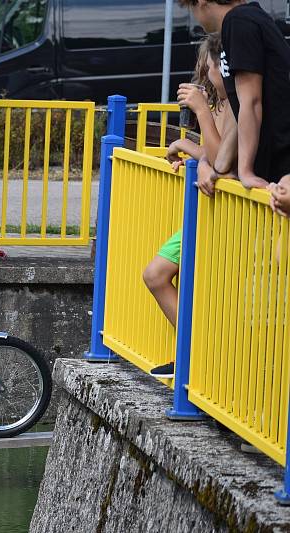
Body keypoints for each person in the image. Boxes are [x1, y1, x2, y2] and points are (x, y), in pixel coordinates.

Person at [145, 34, 234, 379]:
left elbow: (220, 158)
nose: (206, 75)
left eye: (209, 67)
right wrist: (187, 146)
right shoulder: (224, 105)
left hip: (221, 212)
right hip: (208, 211)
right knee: (156, 275)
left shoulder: (234, 105)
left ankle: (194, 356)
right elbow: (215, 156)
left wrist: (200, 113)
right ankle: (191, 352)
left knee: (158, 275)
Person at [179, 0, 290, 195]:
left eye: (191, 8)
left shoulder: (238, 21)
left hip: (281, 164)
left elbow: (251, 101)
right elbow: (237, 106)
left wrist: (245, 171)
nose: (195, 17)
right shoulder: (244, 20)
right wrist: (219, 168)